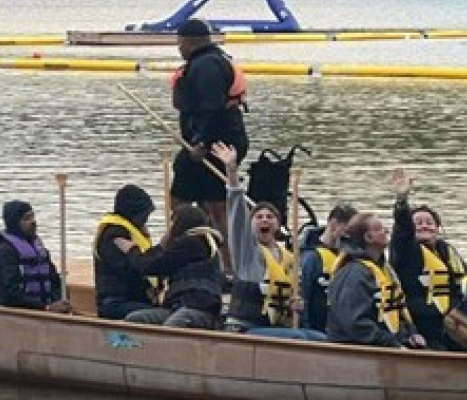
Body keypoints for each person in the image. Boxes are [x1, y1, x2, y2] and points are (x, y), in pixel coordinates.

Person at [213, 142, 325, 340]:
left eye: (270, 217)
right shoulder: (247, 253)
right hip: (245, 328)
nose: (265, 219)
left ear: (278, 225)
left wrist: (295, 307)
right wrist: (231, 172)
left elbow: (290, 303)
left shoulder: (290, 259)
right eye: (259, 216)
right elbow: (237, 215)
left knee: (321, 338)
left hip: (273, 328)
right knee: (301, 339)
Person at [169, 18, 249, 276]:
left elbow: (211, 108)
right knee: (194, 198)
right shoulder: (212, 59)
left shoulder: (207, 66)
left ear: (191, 42)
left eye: (180, 43)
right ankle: (199, 253)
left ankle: (227, 266)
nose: (179, 48)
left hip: (216, 144)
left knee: (210, 204)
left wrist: (201, 143)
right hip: (214, 140)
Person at [388, 168, 467, 350]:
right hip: (418, 324)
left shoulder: (447, 252)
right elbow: (402, 230)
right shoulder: (406, 250)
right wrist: (402, 200)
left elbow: (462, 284)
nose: (424, 226)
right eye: (418, 223)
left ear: (438, 229)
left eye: (429, 223)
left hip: (449, 323)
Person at [325, 213, 426, 348]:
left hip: (387, 344)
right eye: (379, 229)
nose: (386, 231)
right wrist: (391, 343)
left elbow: (395, 310)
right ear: (368, 237)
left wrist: (411, 334)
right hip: (358, 349)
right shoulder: (354, 273)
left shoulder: (384, 269)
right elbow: (354, 323)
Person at [117, 205, 224, 329]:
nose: (170, 227)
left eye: (173, 222)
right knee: (135, 319)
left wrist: (132, 250)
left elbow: (151, 266)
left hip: (199, 310)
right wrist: (161, 245)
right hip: (177, 308)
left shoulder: (194, 243)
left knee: (171, 327)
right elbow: (161, 260)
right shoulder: (190, 244)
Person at [0, 200, 70, 314]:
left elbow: (55, 281)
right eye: (26, 219)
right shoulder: (2, 252)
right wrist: (45, 308)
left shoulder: (37, 247)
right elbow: (9, 294)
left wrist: (59, 301)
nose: (33, 222)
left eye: (32, 217)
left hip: (44, 309)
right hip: (17, 312)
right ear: (14, 223)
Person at [93, 185, 158, 320]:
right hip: (115, 303)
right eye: (144, 215)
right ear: (133, 213)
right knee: (161, 316)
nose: (146, 220)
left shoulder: (132, 232)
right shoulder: (114, 236)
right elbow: (132, 270)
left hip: (134, 300)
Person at [298, 204, 358, 332]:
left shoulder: (351, 258)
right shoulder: (311, 258)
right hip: (316, 331)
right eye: (347, 232)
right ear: (334, 224)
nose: (350, 239)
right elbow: (303, 296)